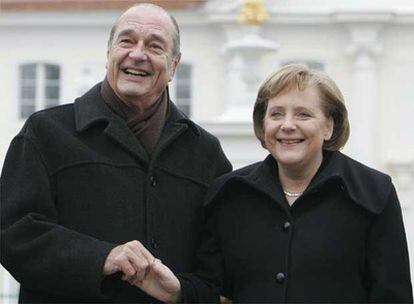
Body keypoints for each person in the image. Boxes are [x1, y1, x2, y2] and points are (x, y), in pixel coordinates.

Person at [0, 3, 231, 303]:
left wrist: (182, 292)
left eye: (154, 46)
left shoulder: (206, 154)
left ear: (174, 65)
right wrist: (101, 258)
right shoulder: (45, 133)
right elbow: (13, 233)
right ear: (109, 53)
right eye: (126, 41)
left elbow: (219, 269)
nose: (138, 54)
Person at [132, 64, 413, 303]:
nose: (287, 125)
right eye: (276, 114)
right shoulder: (229, 195)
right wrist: (178, 291)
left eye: (303, 114)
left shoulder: (373, 193)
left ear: (329, 126)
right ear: (263, 126)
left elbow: (392, 296)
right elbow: (212, 287)